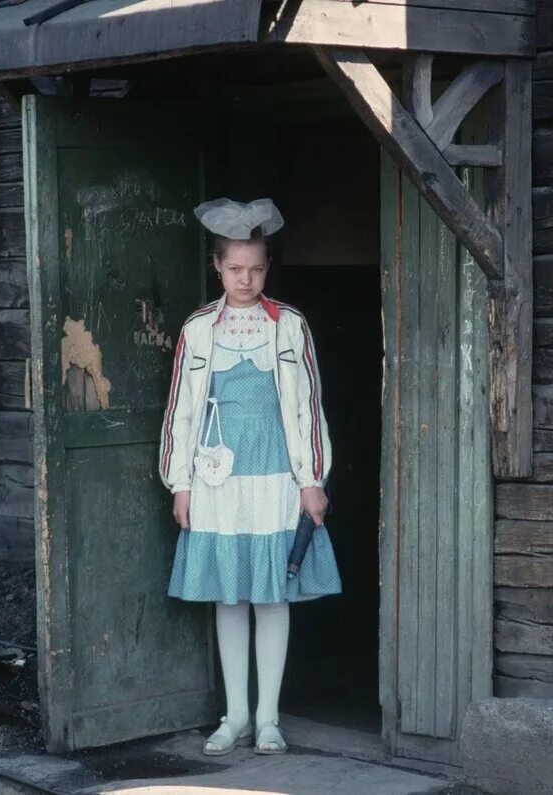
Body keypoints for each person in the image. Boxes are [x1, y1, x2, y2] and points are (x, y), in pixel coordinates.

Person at [158, 197, 341, 756]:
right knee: (230, 596)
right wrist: (180, 482)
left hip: (275, 478)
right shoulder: (198, 329)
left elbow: (308, 405)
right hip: (218, 478)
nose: (246, 278)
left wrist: (312, 478)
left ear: (267, 267)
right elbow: (181, 411)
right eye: (235, 268)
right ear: (217, 266)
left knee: (271, 595)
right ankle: (234, 714)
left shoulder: (289, 326)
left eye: (256, 268)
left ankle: (268, 718)